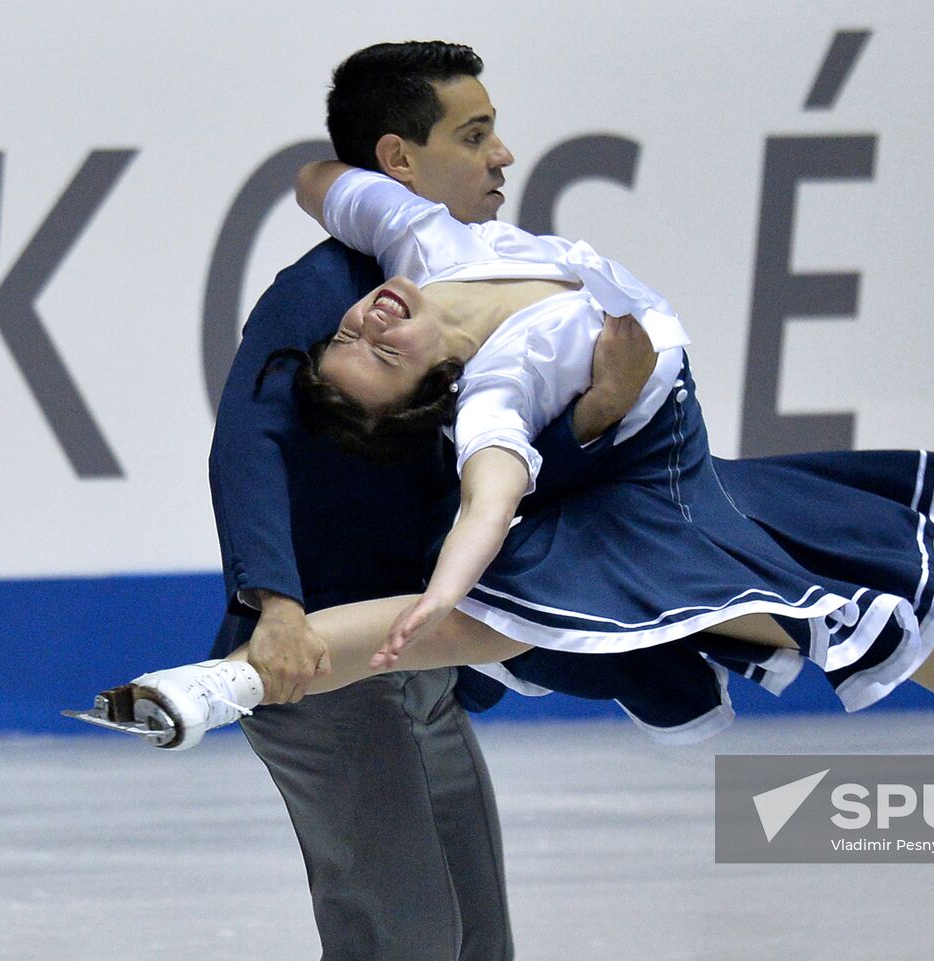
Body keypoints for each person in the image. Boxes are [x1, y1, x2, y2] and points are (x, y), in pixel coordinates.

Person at [97, 147, 934, 818]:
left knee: (868, 614)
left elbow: (325, 180)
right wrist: (436, 587)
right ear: (429, 396)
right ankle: (213, 688)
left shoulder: (428, 244)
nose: (369, 314)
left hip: (674, 474)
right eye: (377, 351)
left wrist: (330, 178)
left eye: (357, 324)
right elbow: (489, 497)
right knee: (479, 619)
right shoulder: (501, 389)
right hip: (655, 490)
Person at [204, 41, 657, 961]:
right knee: (407, 940)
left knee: (476, 941)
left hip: (418, 677)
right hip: (320, 675)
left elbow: (499, 463)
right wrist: (275, 605)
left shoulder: (479, 296)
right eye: (476, 133)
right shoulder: (329, 292)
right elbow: (247, 441)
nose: (503, 156)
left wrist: (597, 413)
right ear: (399, 161)